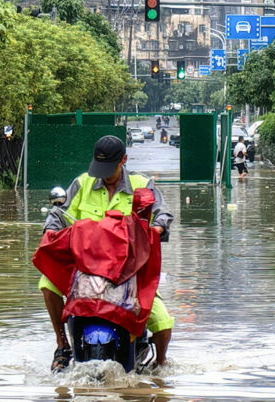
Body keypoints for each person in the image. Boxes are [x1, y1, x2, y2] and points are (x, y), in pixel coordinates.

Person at [40, 135, 175, 372]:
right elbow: (58, 215)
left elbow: (162, 213)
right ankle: (62, 346)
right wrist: (51, 232)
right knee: (47, 282)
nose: (102, 174)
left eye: (108, 168)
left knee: (163, 324)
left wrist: (158, 228)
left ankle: (160, 364)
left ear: (123, 160)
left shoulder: (141, 184)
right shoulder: (83, 183)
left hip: (128, 271)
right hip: (85, 268)